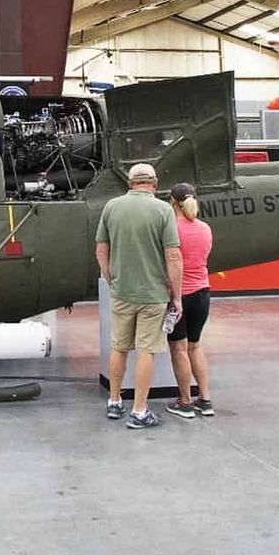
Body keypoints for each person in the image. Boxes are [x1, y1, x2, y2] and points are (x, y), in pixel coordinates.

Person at [96, 162, 182, 430]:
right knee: (146, 350)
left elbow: (101, 250)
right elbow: (173, 255)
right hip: (152, 294)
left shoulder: (112, 207)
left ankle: (114, 402)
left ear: (130, 183)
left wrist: (113, 280)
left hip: (122, 292)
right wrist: (176, 296)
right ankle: (140, 410)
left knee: (119, 346)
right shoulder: (163, 210)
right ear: (154, 183)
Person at [165, 182, 216, 421]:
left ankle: (184, 401)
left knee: (179, 348)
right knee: (195, 345)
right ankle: (204, 399)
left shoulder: (171, 229)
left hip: (179, 297)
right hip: (203, 293)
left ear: (173, 202)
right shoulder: (205, 228)